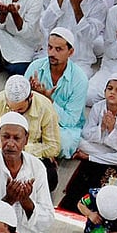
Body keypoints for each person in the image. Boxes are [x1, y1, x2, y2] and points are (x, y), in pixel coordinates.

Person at [0, 75, 62, 191]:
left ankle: (2, 181)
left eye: (20, 110)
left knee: (51, 179)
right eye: (11, 109)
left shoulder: (45, 108)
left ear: (30, 97)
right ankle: (12, 182)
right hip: (2, 151)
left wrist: (22, 148)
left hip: (30, 155)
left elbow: (53, 146)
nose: (15, 114)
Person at [24, 28, 89, 159]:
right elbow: (20, 103)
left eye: (58, 49)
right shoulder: (35, 67)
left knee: (64, 143)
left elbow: (70, 120)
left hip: (63, 127)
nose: (52, 53)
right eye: (50, 48)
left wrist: (48, 101)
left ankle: (31, 151)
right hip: (35, 117)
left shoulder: (80, 79)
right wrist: (30, 97)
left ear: (70, 52)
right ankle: (41, 152)